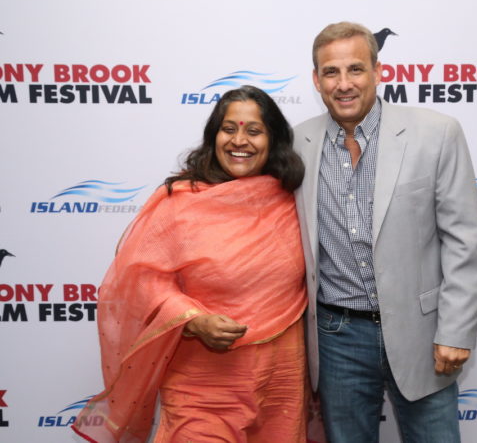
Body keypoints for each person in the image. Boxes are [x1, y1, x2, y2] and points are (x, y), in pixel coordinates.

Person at [72, 85, 308, 443]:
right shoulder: (181, 201)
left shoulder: (292, 199)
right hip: (204, 377)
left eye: (254, 131)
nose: (239, 140)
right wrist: (196, 321)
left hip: (282, 379)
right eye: (228, 129)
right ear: (214, 135)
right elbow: (142, 280)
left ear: (272, 140)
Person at [293, 22, 477, 443]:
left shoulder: (436, 133)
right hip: (336, 338)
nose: (344, 84)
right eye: (331, 72)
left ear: (379, 71)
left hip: (422, 333)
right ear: (316, 80)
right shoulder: (297, 143)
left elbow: (463, 241)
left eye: (356, 69)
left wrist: (454, 331)